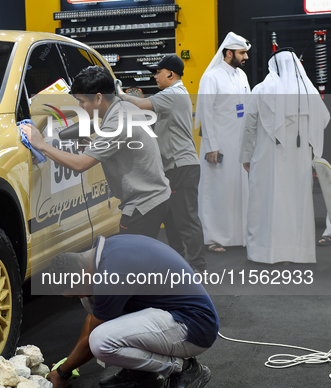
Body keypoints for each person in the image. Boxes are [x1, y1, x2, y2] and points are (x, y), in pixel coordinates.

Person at [43, 234, 218, 388]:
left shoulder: (111, 275)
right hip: (172, 313)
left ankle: (186, 369)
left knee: (100, 342)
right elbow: (93, 317)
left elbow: (92, 339)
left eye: (77, 292)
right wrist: (71, 362)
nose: (79, 297)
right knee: (90, 302)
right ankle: (141, 372)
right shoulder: (105, 253)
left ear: (84, 273)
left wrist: (62, 372)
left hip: (195, 326)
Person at [21, 66, 171, 239]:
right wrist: (94, 146)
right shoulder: (124, 109)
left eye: (82, 101)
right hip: (155, 198)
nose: (79, 107)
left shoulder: (117, 123)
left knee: (131, 262)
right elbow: (126, 148)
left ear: (98, 98)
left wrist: (41, 145)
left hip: (143, 205)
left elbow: (80, 165)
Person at [240, 48, 329, 264]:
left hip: (266, 159)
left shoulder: (261, 89)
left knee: (266, 203)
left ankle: (266, 252)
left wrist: (245, 156)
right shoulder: (307, 91)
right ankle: (297, 253)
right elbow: (323, 119)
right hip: (299, 160)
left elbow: (249, 126)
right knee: (296, 205)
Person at [119, 55, 206, 272]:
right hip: (174, 167)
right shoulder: (171, 95)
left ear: (171, 74)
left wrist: (118, 93)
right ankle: (179, 264)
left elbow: (140, 104)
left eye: (158, 72)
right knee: (173, 220)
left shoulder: (173, 93)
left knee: (186, 219)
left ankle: (197, 266)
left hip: (181, 166)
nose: (155, 76)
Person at [195, 32, 252, 253]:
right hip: (218, 145)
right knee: (216, 191)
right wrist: (211, 146)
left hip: (239, 144)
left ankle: (238, 235)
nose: (245, 57)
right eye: (242, 53)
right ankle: (212, 238)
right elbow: (206, 114)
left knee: (237, 189)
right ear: (228, 53)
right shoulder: (212, 77)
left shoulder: (241, 76)